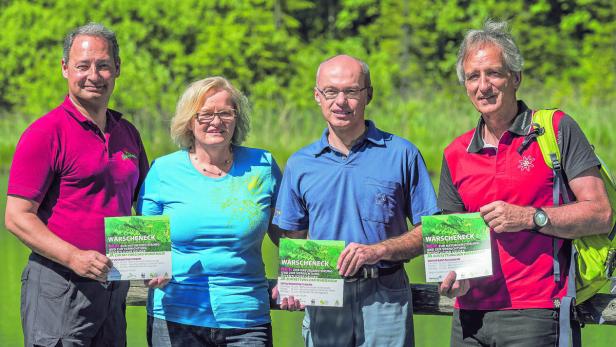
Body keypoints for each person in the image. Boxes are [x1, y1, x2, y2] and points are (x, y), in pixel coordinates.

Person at [437, 20, 612, 346]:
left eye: (494, 73)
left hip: (537, 311)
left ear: (515, 78)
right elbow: (454, 245)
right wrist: (454, 278)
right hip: (468, 316)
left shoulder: (555, 129)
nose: (483, 85)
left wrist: (529, 217)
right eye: (473, 77)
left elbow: (600, 213)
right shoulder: (454, 153)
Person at [272, 54, 439, 347]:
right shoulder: (300, 164)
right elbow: (292, 239)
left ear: (368, 95)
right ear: (317, 96)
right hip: (324, 293)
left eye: (351, 91)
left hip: (386, 293)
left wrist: (379, 250)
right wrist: (292, 279)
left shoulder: (402, 154)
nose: (340, 101)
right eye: (330, 92)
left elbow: (431, 232)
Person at [4, 23, 149, 346]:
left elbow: (145, 206)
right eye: (83, 66)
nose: (93, 75)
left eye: (103, 65)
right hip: (60, 285)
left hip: (113, 287)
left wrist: (154, 259)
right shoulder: (44, 133)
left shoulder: (127, 133)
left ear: (117, 69)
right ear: (65, 68)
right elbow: (17, 216)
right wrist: (73, 257)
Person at [137, 76, 281, 347]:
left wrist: (299, 279)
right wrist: (148, 270)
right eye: (205, 114)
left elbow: (290, 235)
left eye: (225, 113)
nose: (216, 122)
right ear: (190, 121)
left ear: (237, 119)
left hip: (246, 318)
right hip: (176, 315)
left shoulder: (263, 166)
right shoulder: (162, 171)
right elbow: (145, 246)